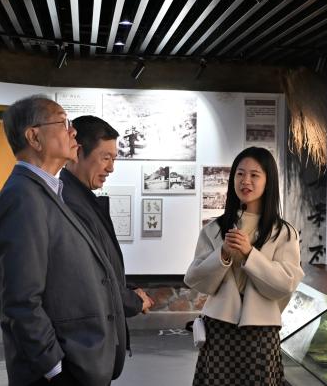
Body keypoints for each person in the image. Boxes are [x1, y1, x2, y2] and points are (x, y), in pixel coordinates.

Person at [0, 96, 127, 385]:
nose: (73, 131)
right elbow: (21, 301)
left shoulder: (48, 193)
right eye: (64, 123)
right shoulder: (23, 198)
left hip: (80, 361)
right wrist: (55, 369)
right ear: (34, 137)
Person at [184, 146, 304, 385]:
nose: (245, 181)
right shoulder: (215, 229)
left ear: (268, 181)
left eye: (254, 175)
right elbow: (195, 279)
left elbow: (286, 284)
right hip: (218, 328)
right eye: (240, 174)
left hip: (261, 332)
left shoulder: (283, 232)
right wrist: (223, 255)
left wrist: (250, 254)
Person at [60, 116, 155, 361]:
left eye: (114, 159)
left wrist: (129, 291)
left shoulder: (83, 200)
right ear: (78, 151)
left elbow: (101, 267)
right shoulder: (70, 205)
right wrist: (133, 301)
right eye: (105, 158)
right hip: (83, 346)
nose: (111, 168)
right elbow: (88, 278)